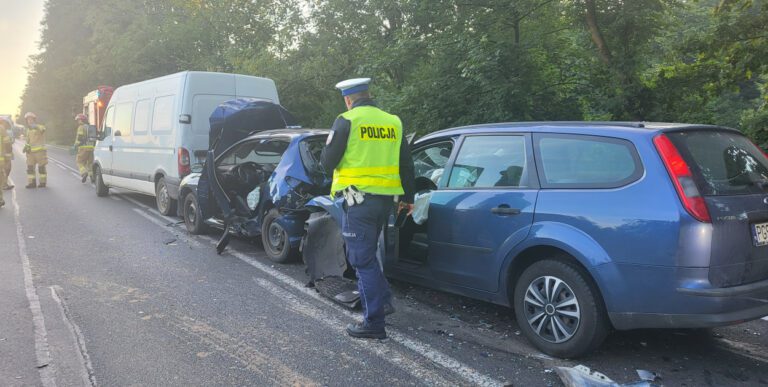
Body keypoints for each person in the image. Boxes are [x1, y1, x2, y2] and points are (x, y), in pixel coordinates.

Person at [320, 78, 415, 339]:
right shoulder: (393, 121)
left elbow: (328, 163)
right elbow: (406, 165)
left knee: (361, 260)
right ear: (368, 94)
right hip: (385, 203)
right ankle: (382, 300)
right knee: (370, 255)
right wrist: (409, 197)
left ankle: (374, 322)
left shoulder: (347, 120)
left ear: (348, 99)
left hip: (358, 202)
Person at [23, 112, 48, 188]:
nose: (29, 121)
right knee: (30, 168)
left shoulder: (40, 126)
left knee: (41, 168)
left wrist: (35, 126)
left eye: (31, 119)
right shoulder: (28, 130)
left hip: (40, 152)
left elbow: (43, 129)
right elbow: (28, 140)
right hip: (30, 153)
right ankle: (32, 183)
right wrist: (26, 147)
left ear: (34, 119)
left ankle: (42, 183)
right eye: (28, 119)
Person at [73, 113, 95, 183]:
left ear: (81, 120)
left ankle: (84, 173)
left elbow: (79, 137)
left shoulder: (81, 127)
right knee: (90, 163)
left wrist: (75, 145)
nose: (77, 122)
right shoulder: (90, 127)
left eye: (78, 120)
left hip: (83, 147)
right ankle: (92, 176)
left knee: (79, 162)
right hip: (91, 148)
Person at [1, 117, 13, 191]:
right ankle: (4, 185)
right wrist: (9, 153)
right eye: (7, 124)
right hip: (2, 154)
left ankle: (4, 184)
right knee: (6, 169)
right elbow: (7, 142)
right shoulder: (2, 128)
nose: (7, 126)